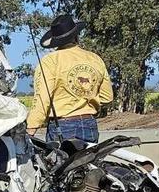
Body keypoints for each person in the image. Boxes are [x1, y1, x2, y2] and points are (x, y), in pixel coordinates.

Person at [26, 14, 113, 143]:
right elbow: (107, 97)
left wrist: (31, 127)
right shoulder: (95, 59)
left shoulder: (50, 61)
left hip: (62, 126)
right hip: (89, 124)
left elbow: (42, 99)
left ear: (55, 40)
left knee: (60, 163)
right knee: (88, 163)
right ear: (76, 35)